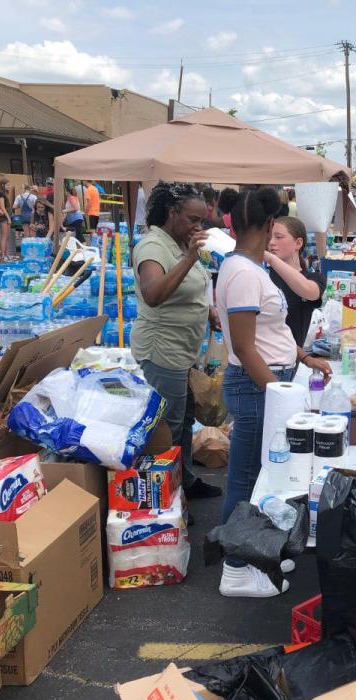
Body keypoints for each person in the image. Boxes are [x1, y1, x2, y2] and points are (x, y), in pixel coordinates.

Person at [215, 187, 332, 598]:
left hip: (268, 381)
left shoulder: (247, 267)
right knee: (247, 479)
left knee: (263, 476)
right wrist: (279, 391)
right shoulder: (245, 273)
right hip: (256, 387)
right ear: (266, 227)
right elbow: (246, 347)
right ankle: (235, 569)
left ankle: (254, 553)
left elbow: (272, 333)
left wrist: (303, 357)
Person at [132, 182, 224, 514]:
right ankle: (165, 501)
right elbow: (154, 293)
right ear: (172, 213)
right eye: (192, 219)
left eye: (202, 221)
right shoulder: (153, 246)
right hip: (162, 352)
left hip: (184, 351)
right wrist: (189, 257)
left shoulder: (177, 241)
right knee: (166, 428)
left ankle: (184, 480)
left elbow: (192, 287)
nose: (198, 227)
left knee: (183, 420)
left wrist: (208, 310)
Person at [266, 216, 326, 348]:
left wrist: (271, 259)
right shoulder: (264, 274)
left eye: (278, 237)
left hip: (291, 358)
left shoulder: (314, 277)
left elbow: (310, 291)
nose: (271, 242)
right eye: (269, 237)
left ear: (298, 243)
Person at [0, 178, 14, 261]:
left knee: (7, 236)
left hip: (6, 217)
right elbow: (2, 207)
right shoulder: (1, 194)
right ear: (2, 185)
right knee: (4, 236)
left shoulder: (4, 194)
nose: (9, 186)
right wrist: (8, 217)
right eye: (7, 185)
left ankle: (6, 253)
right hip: (3, 218)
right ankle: (3, 254)